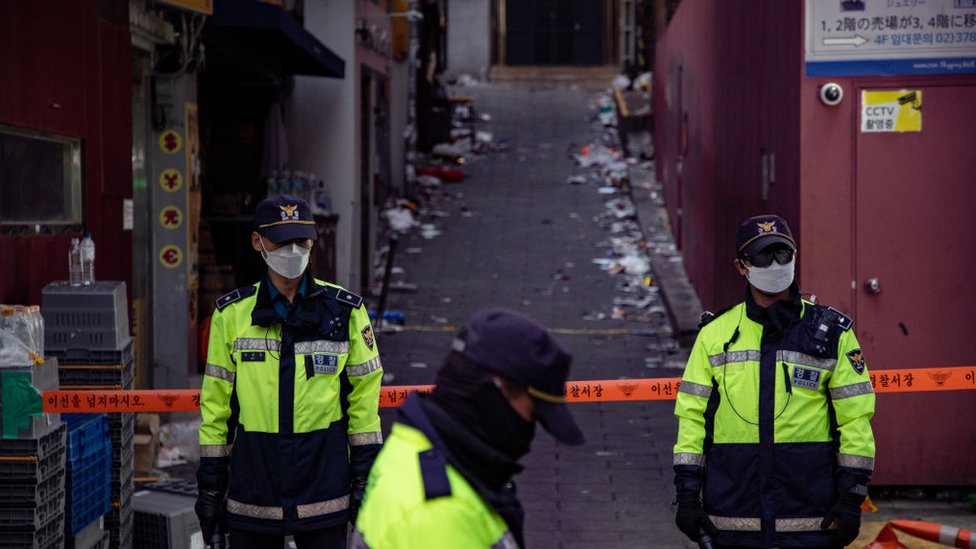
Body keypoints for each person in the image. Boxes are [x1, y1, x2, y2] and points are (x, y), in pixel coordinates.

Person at [673, 214, 875, 549]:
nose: (776, 263)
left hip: (810, 513)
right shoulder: (715, 335)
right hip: (735, 513)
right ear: (741, 266)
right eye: (764, 255)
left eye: (783, 253)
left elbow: (855, 419)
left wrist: (852, 497)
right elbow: (693, 418)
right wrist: (687, 494)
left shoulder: (832, 334)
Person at [195, 195, 383, 549]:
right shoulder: (231, 315)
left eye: (302, 241)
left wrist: (365, 478)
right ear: (258, 243)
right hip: (254, 490)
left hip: (324, 488)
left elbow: (364, 406)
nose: (293, 250)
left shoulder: (345, 313)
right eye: (282, 241)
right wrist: (210, 486)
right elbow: (216, 410)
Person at [351, 308, 585, 548]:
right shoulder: (443, 513)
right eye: (534, 413)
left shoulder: (413, 445)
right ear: (494, 391)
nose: (530, 430)